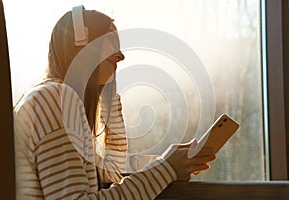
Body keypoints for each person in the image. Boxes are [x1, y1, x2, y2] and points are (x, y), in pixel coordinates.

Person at [14, 5, 215, 200]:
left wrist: (110, 102)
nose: (121, 56)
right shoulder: (55, 98)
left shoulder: (53, 98)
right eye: (111, 40)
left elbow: (113, 173)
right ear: (82, 41)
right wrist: (167, 169)